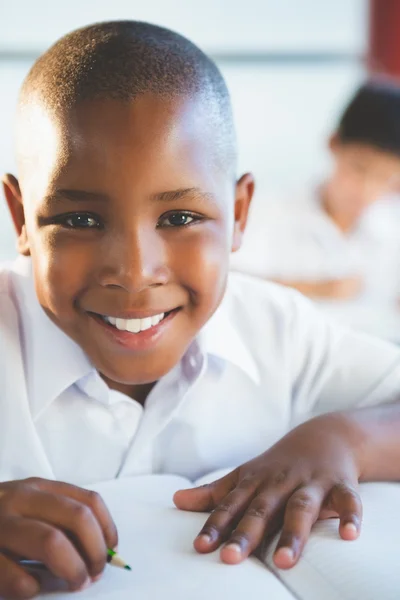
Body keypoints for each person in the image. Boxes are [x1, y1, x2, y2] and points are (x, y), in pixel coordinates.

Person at [1, 21, 400, 599]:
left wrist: (346, 439)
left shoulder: (278, 332)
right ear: (21, 221)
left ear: (239, 214)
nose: (135, 272)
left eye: (180, 218)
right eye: (80, 220)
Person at [230, 80, 400, 306]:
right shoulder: (267, 214)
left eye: (385, 178)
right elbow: (228, 284)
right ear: (333, 144)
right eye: (359, 168)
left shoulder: (392, 226)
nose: (366, 189)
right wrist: (316, 289)